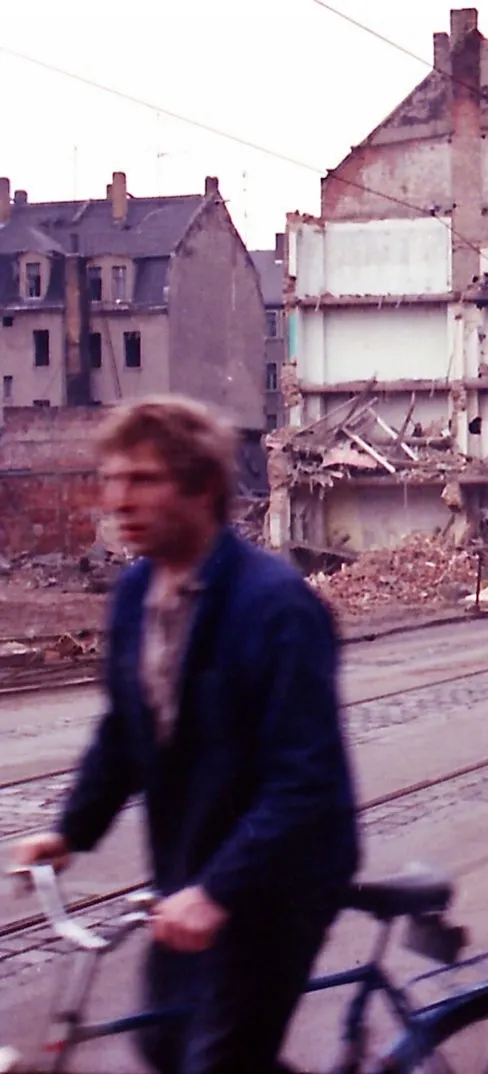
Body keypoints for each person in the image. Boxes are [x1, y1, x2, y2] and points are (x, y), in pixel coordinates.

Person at [10, 395, 360, 1074]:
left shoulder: (274, 605)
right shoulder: (136, 595)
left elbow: (305, 780)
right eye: (111, 479)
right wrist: (69, 833)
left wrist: (217, 891)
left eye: (142, 480)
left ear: (201, 487)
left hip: (279, 882)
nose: (118, 499)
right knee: (164, 1042)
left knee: (218, 1056)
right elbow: (123, 732)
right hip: (194, 869)